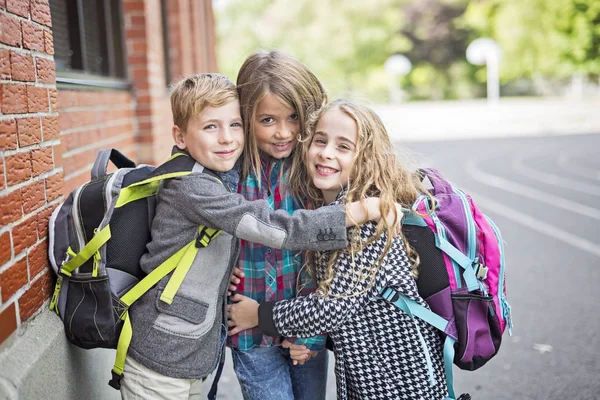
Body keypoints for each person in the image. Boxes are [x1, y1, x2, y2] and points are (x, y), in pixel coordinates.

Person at [119, 75, 397, 400]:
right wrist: (357, 211)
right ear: (180, 136)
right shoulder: (197, 185)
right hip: (166, 351)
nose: (226, 138)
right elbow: (269, 227)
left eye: (234, 125)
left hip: (194, 356)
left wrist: (227, 270)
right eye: (211, 127)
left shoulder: (241, 173)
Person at [228, 99, 449, 400]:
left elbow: (331, 307)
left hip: (399, 381)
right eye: (320, 140)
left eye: (343, 147)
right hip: (373, 373)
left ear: (366, 159)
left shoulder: (367, 223)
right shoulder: (337, 211)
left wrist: (258, 315)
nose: (327, 152)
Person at [226, 50, 333, 400]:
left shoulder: (314, 173)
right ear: (245, 117)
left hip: (305, 329)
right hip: (248, 329)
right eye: (268, 120)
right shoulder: (230, 174)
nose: (283, 132)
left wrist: (314, 336)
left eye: (293, 118)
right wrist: (219, 268)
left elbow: (332, 263)